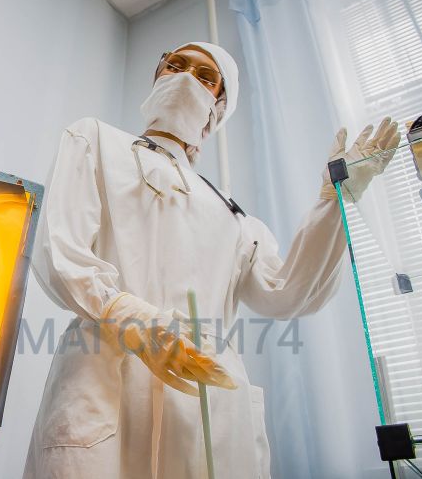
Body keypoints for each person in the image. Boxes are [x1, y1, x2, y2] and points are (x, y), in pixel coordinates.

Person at [22, 42, 400, 479]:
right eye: (175, 65)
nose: (185, 77)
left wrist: (334, 199)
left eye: (205, 76)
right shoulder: (95, 140)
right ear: (156, 76)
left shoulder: (232, 215)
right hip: (106, 377)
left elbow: (287, 291)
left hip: (202, 393)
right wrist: (127, 313)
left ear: (216, 109)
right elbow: (61, 245)